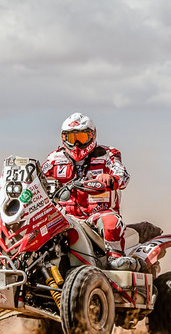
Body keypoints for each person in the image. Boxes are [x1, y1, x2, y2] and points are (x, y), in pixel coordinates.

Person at [41, 112, 139, 270]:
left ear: (92, 135)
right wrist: (13, 180)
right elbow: (38, 176)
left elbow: (123, 176)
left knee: (111, 222)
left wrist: (111, 178)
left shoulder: (108, 155)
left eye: (81, 137)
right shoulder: (55, 158)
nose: (77, 144)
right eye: (72, 138)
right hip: (64, 216)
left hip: (97, 215)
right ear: (63, 138)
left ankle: (115, 259)